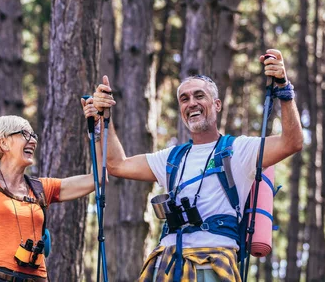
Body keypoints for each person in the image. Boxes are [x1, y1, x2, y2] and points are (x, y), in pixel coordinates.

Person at [82, 49, 303, 281]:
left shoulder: (240, 150)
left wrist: (283, 89)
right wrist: (100, 122)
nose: (192, 103)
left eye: (199, 96)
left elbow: (292, 142)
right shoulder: (172, 158)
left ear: (217, 104)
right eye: (184, 99)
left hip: (213, 265)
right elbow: (118, 165)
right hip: (166, 265)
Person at [0, 56, 101, 282]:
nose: (32, 140)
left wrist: (97, 130)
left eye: (33, 135)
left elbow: (98, 178)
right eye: (23, 134)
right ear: (3, 143)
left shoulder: (43, 189)